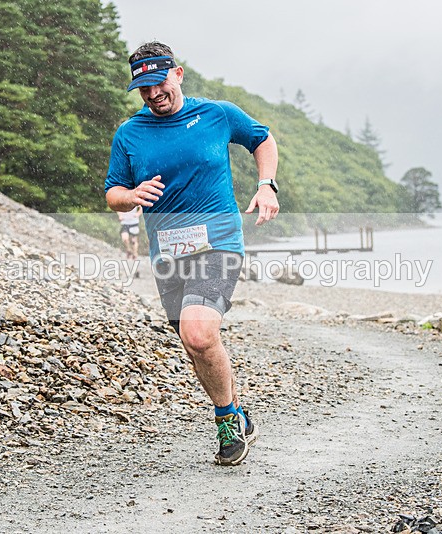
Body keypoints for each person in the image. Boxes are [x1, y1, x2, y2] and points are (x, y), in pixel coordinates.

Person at [105, 41, 279, 466]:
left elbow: (262, 139)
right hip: (167, 254)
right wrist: (132, 195)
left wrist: (266, 185)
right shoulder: (129, 134)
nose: (153, 94)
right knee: (194, 344)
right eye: (143, 88)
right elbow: (113, 193)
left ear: (178, 74)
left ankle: (226, 422)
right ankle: (237, 411)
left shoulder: (217, 114)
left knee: (199, 334)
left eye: (159, 82)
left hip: (219, 242)